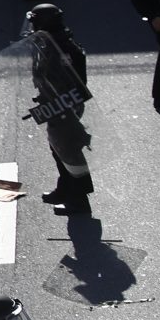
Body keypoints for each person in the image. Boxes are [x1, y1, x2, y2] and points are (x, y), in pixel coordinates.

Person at [22, 15, 94, 213]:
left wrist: (52, 99)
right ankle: (64, 190)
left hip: (63, 106)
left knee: (68, 152)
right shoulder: (56, 43)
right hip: (61, 105)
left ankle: (79, 201)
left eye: (35, 24)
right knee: (59, 149)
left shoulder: (58, 50)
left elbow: (61, 81)